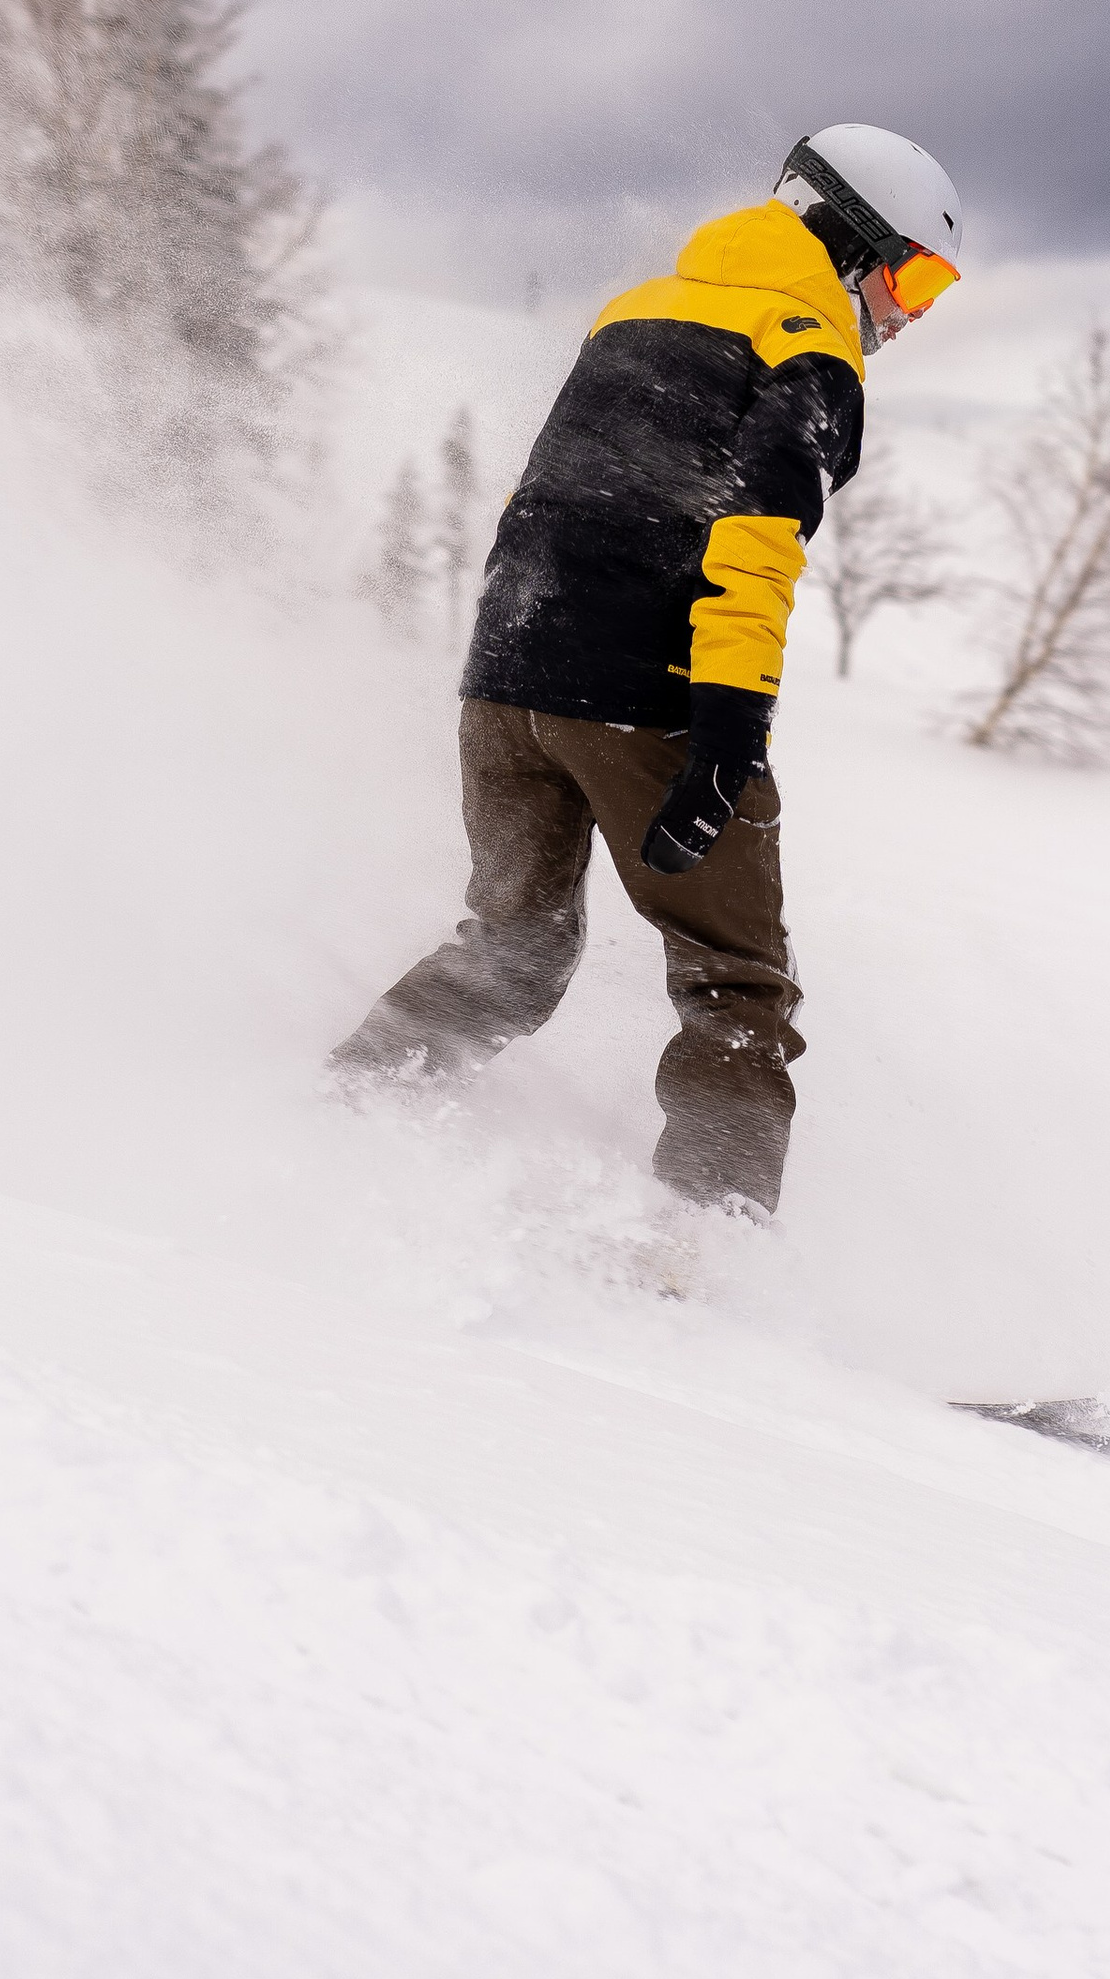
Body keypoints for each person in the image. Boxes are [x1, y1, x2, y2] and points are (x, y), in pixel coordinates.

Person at [330, 125, 964, 1216]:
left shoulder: (639, 307)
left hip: (506, 678)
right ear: (844, 236)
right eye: (914, 275)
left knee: (517, 950)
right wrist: (725, 731)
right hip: (646, 700)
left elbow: (557, 496)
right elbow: (756, 544)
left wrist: (513, 670)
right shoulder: (806, 340)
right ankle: (695, 1259)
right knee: (737, 988)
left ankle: (348, 1113)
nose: (908, 315)